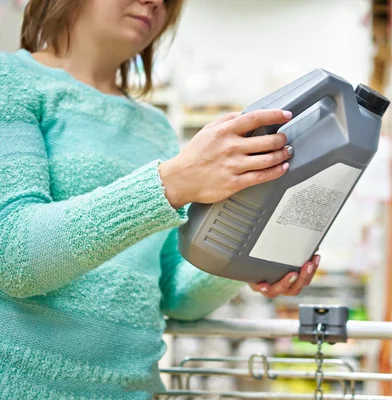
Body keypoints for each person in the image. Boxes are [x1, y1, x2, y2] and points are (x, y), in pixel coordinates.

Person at [0, 0, 320, 398]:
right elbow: (12, 255)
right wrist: (171, 183)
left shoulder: (156, 129)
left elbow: (176, 296)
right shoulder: (9, 81)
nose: (155, 3)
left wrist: (247, 262)